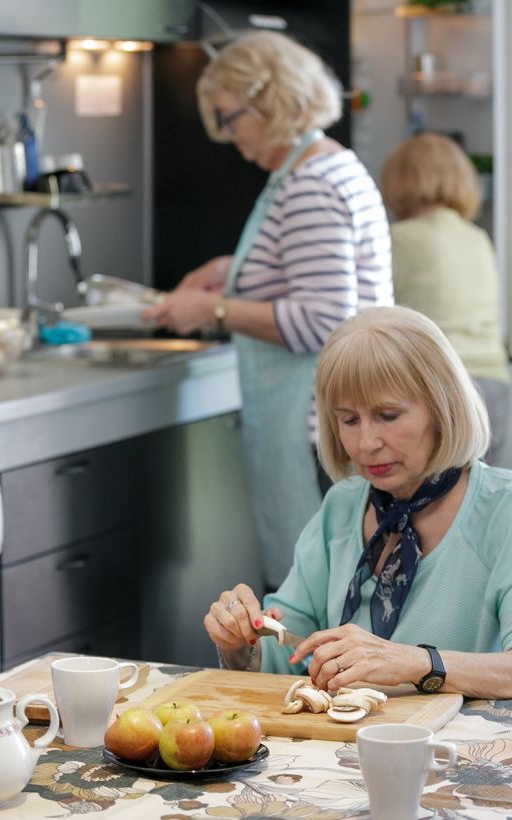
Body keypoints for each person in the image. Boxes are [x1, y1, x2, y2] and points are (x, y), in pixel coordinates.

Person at [202, 307, 512, 699]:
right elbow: (285, 653)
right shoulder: (342, 507)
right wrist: (240, 641)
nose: (366, 444)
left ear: (441, 409)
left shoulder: (511, 510)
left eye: (388, 416)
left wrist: (416, 663)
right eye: (349, 420)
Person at [143, 31, 393, 590]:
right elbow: (309, 268)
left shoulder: (309, 184)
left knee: (317, 595)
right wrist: (230, 269)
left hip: (317, 426)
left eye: (230, 118)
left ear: (270, 102)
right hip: (336, 415)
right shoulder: (328, 166)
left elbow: (325, 320)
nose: (228, 135)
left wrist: (216, 309)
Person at [381, 132, 511, 462]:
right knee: (475, 492)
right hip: (493, 386)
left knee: (424, 494)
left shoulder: (398, 239)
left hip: (436, 386)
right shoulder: (478, 238)